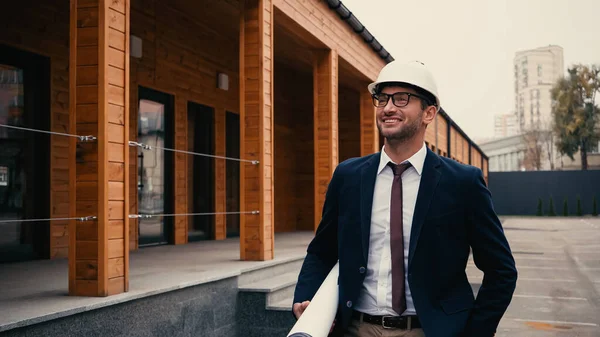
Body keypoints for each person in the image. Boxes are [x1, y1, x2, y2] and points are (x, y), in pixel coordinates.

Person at [292, 60, 517, 337]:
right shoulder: (348, 176)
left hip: (428, 330)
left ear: (429, 113)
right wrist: (305, 297)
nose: (388, 108)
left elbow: (501, 270)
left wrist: (475, 331)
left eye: (402, 99)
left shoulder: (462, 182)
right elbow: (321, 252)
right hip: (355, 328)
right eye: (383, 99)